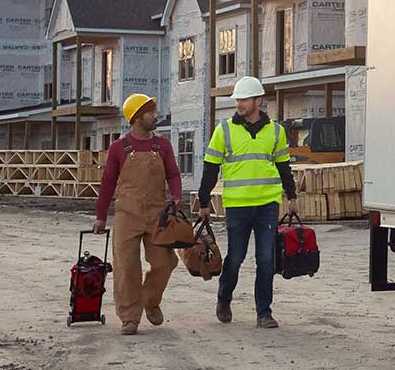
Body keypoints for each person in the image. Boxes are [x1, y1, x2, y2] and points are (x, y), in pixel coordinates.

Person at [197, 76, 297, 329]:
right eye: (238, 100)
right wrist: (204, 201)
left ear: (258, 100)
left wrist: (292, 196)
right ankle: (224, 298)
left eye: (244, 99)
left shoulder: (276, 131)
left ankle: (264, 313)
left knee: (266, 259)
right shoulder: (224, 130)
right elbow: (210, 168)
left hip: (267, 204)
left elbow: (284, 167)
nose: (239, 104)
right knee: (236, 258)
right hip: (238, 206)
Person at [92, 93, 183, 336]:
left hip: (158, 214)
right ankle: (129, 318)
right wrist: (101, 216)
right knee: (126, 267)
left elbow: (173, 175)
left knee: (165, 262)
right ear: (137, 117)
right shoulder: (119, 148)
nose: (156, 116)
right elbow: (108, 183)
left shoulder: (162, 145)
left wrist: (176, 198)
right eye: (151, 112)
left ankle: (151, 300)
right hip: (126, 214)